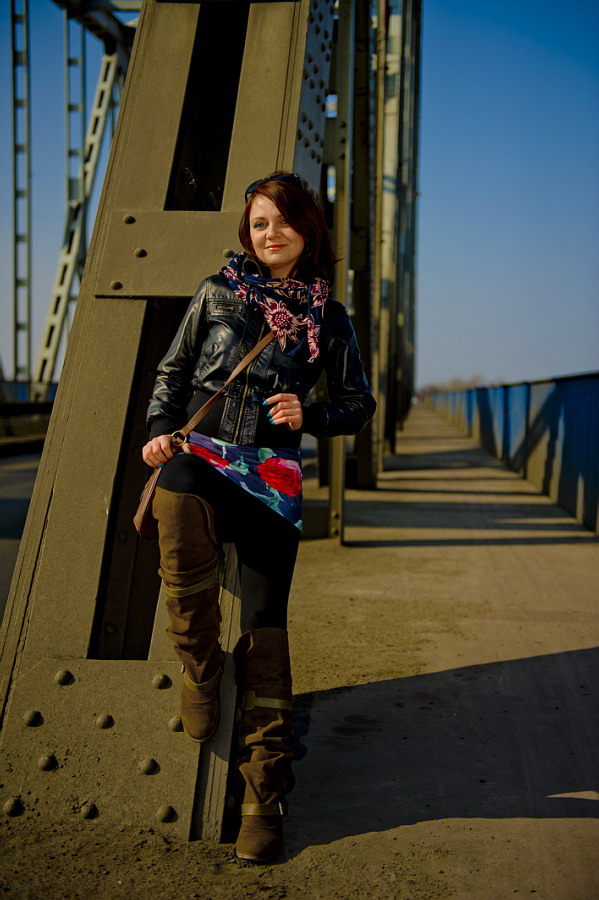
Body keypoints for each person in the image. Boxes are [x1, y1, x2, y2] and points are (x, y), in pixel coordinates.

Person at [142, 171, 376, 861]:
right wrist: (158, 430)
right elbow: (172, 375)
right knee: (175, 492)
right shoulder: (216, 292)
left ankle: (263, 798)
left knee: (267, 627)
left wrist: (313, 413)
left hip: (272, 474)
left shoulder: (330, 317)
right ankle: (200, 665)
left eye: (281, 220)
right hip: (205, 456)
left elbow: (358, 404)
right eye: (258, 223)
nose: (269, 233)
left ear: (308, 228)